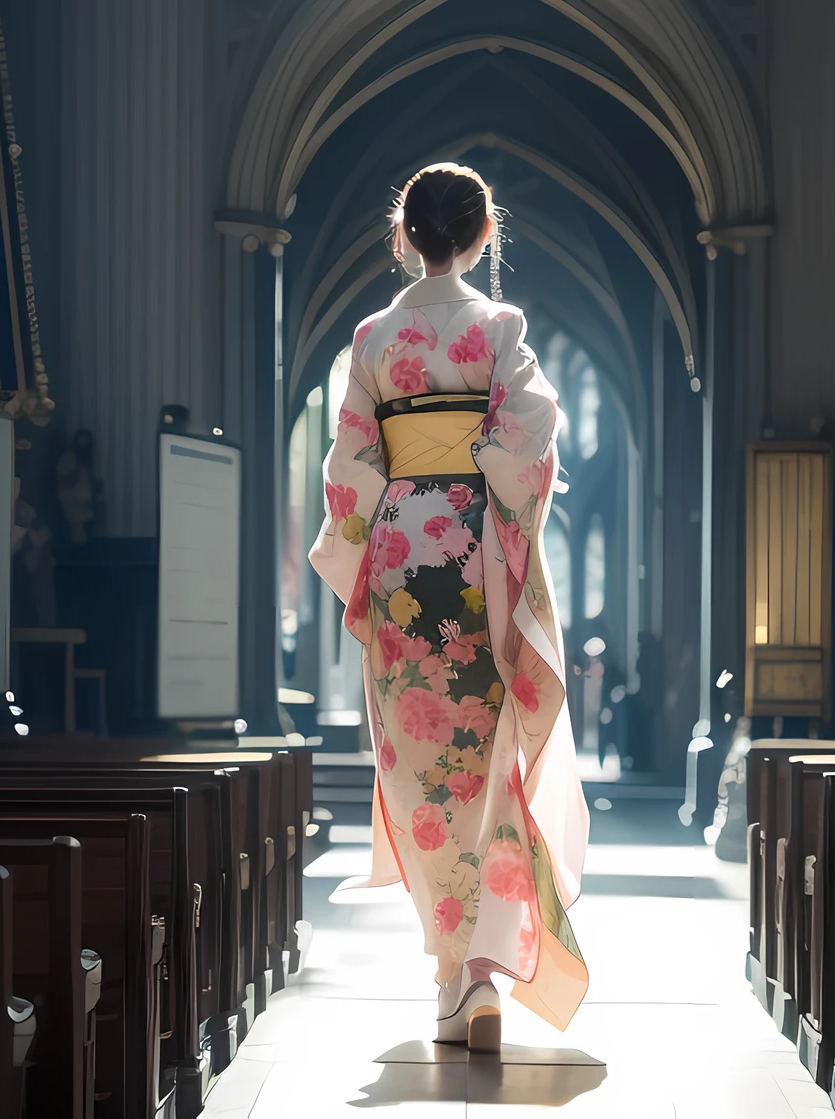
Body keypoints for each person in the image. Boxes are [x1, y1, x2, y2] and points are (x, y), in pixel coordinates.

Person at [308, 163, 589, 1049]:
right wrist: (495, 492)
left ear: (404, 238)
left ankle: (446, 969)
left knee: (419, 768)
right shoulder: (501, 325)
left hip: (399, 558)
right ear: (482, 235)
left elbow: (349, 469)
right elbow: (532, 433)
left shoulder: (370, 340)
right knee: (490, 757)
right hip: (478, 560)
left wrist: (392, 513)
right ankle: (479, 977)